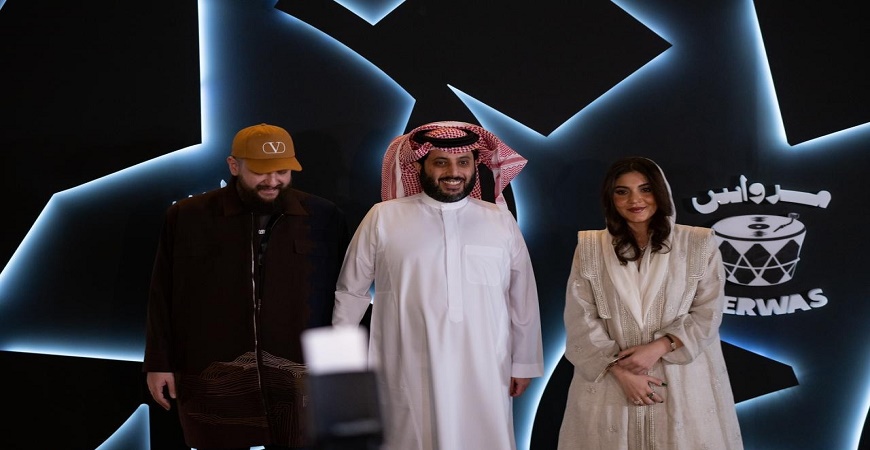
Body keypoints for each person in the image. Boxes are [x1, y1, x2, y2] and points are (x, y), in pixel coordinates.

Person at [334, 121, 544, 450]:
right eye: (441, 162)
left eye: (463, 162)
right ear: (420, 166)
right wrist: (341, 363)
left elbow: (522, 296)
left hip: (485, 365)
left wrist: (525, 362)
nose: (453, 172)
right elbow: (350, 291)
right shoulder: (383, 217)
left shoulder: (499, 220)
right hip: (406, 362)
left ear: (475, 166)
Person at [143, 123, 349, 450]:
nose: (273, 181)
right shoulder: (187, 216)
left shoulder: (323, 216)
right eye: (260, 172)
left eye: (282, 171)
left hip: (300, 376)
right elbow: (162, 294)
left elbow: (345, 296)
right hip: (214, 372)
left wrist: (344, 366)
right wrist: (158, 362)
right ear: (234, 166)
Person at [557, 156, 743, 449]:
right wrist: (620, 371)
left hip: (681, 381)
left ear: (661, 191)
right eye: (622, 191)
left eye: (645, 189)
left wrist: (659, 347)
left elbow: (708, 312)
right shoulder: (591, 248)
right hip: (611, 382)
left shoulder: (698, 244)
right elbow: (580, 316)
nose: (635, 200)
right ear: (610, 198)